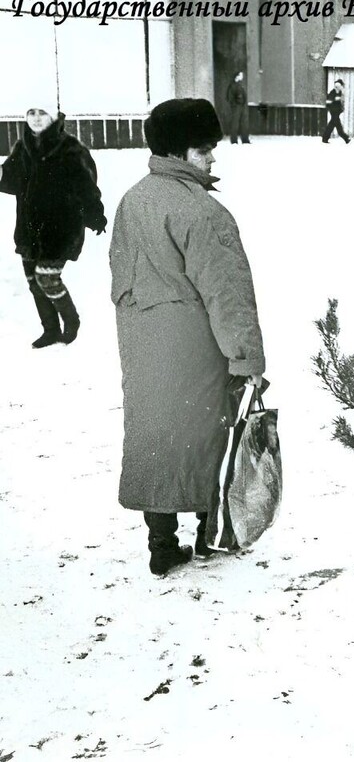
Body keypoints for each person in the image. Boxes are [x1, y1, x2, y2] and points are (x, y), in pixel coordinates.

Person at [109, 98, 267, 576]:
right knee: (207, 432)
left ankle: (160, 542)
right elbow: (228, 294)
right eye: (204, 149)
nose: (213, 158)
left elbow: (120, 274)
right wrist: (246, 359)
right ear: (180, 152)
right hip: (197, 343)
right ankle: (207, 533)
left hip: (142, 339)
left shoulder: (132, 199)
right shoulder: (204, 212)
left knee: (153, 433)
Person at [1, 100, 107, 348]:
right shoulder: (23, 147)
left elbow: (86, 186)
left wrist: (94, 214)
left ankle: (71, 321)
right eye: (31, 113)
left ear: (53, 116)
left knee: (47, 278)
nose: (36, 118)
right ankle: (50, 330)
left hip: (60, 228)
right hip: (29, 227)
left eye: (42, 112)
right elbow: (12, 180)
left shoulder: (70, 149)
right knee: (32, 281)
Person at [322, 78, 350, 144]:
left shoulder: (339, 93)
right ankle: (346, 138)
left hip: (336, 111)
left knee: (333, 124)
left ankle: (325, 138)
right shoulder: (333, 92)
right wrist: (333, 105)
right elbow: (328, 102)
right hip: (334, 111)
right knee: (337, 125)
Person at [225, 71, 250, 144]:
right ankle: (234, 140)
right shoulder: (232, 85)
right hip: (236, 107)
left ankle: (245, 139)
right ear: (237, 76)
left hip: (242, 106)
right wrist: (234, 105)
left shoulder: (240, 85)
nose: (242, 77)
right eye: (241, 75)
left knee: (244, 123)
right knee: (235, 124)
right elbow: (230, 97)